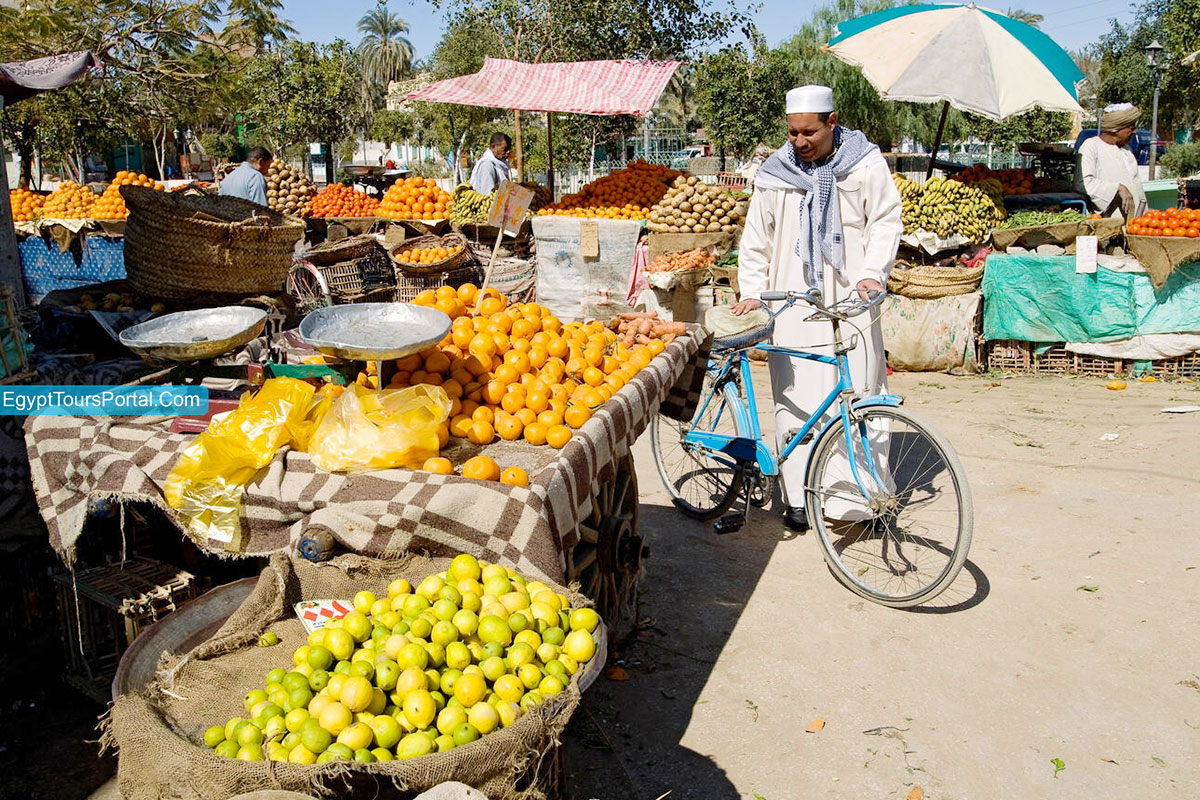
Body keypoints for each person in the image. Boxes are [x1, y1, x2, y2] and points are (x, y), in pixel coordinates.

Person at [729, 85, 903, 532]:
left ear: (832, 121)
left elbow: (885, 221)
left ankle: (858, 499)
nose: (800, 142)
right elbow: (756, 240)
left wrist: (872, 273)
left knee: (860, 392)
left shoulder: (864, 164)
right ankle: (798, 494)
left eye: (809, 132)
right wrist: (752, 289)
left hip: (852, 298)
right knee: (797, 398)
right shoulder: (775, 173)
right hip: (792, 301)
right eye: (792, 133)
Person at [1080, 104, 1147, 220]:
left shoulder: (1126, 150)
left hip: (1137, 220)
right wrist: (1118, 188)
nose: (1134, 132)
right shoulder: (1091, 146)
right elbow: (1086, 184)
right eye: (1130, 128)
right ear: (1116, 129)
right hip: (1111, 222)